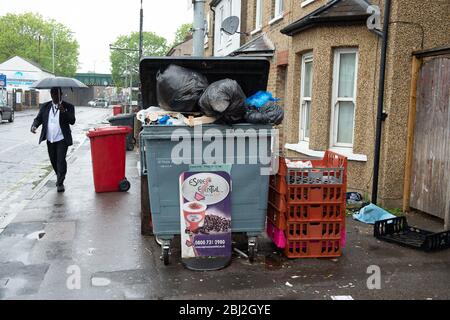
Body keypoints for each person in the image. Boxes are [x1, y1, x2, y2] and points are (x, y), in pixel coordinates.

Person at [31, 87, 76, 193]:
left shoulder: (68, 106)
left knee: (60, 160)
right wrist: (34, 126)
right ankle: (59, 175)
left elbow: (72, 121)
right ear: (50, 94)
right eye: (52, 93)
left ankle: (60, 183)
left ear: (61, 94)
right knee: (53, 160)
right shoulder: (45, 106)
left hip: (62, 139)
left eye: (56, 94)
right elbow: (39, 118)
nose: (54, 96)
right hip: (50, 139)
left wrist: (63, 111)